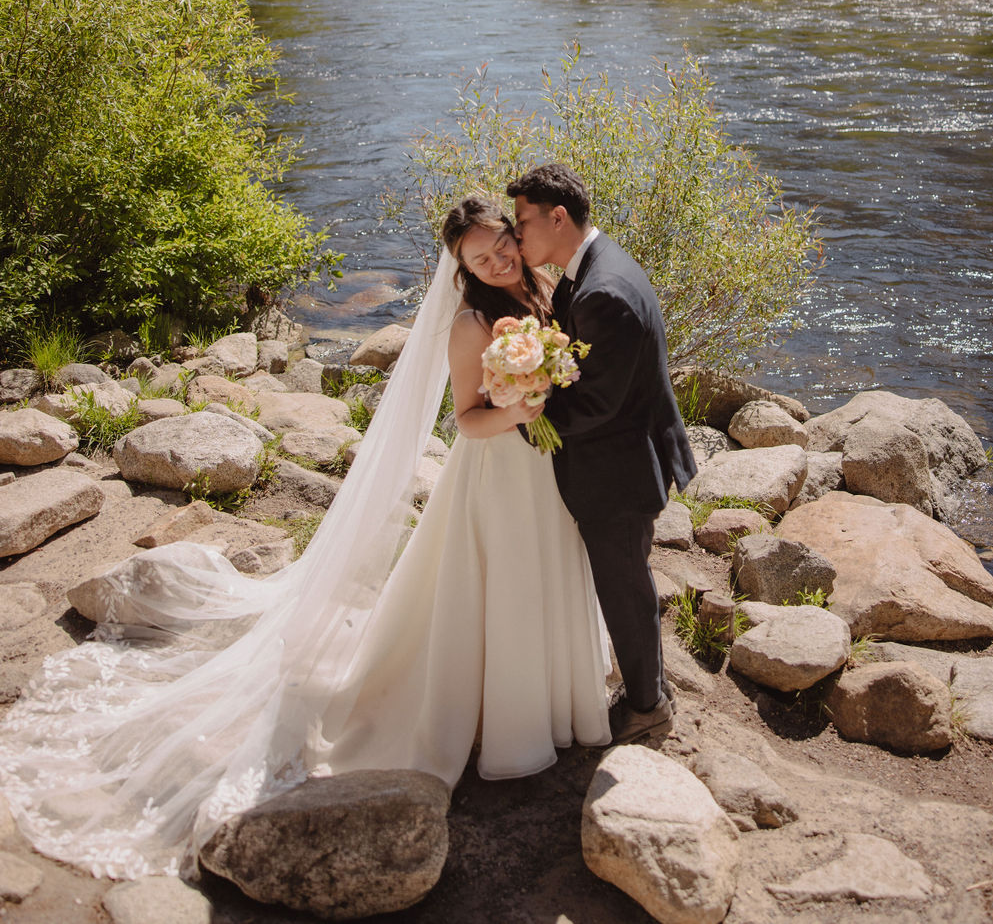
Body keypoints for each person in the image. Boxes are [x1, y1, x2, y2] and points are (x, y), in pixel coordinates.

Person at [0, 197, 609, 881]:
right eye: (479, 256)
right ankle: (504, 720)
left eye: (501, 242)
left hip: (548, 473)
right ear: (461, 267)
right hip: (497, 474)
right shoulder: (469, 325)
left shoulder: (543, 285)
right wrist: (522, 407)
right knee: (498, 584)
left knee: (544, 576)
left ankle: (554, 698)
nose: (497, 258)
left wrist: (556, 384)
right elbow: (468, 421)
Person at [507, 162, 696, 742]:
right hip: (628, 453)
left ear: (557, 217)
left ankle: (647, 707)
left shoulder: (604, 290)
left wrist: (521, 412)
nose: (516, 237)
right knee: (626, 578)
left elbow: (595, 406)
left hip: (618, 469)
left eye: (522, 223)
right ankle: (650, 688)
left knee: (624, 585)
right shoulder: (592, 267)